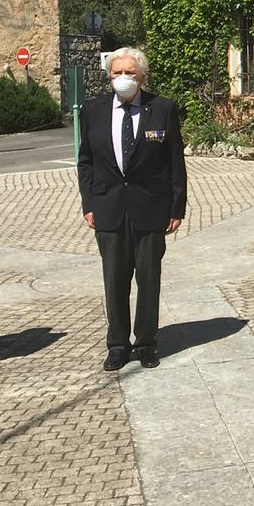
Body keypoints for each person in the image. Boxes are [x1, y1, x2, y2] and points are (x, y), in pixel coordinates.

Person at [77, 47, 187, 372]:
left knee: (149, 279)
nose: (123, 79)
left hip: (151, 209)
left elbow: (175, 163)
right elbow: (86, 162)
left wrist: (176, 206)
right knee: (114, 280)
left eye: (130, 73)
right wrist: (89, 202)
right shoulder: (92, 111)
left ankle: (147, 342)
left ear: (142, 76)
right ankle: (118, 344)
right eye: (117, 73)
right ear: (108, 76)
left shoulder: (162, 109)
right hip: (109, 209)